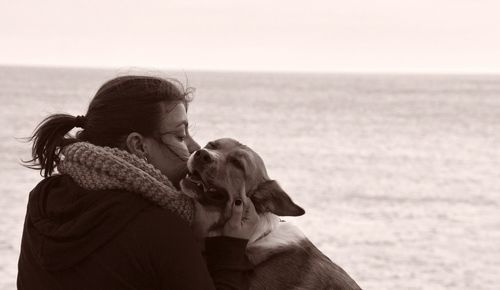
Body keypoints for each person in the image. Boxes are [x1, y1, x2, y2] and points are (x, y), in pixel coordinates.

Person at [17, 75, 259, 290]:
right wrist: (230, 248)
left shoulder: (44, 197)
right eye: (180, 136)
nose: (195, 149)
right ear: (139, 146)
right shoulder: (163, 228)